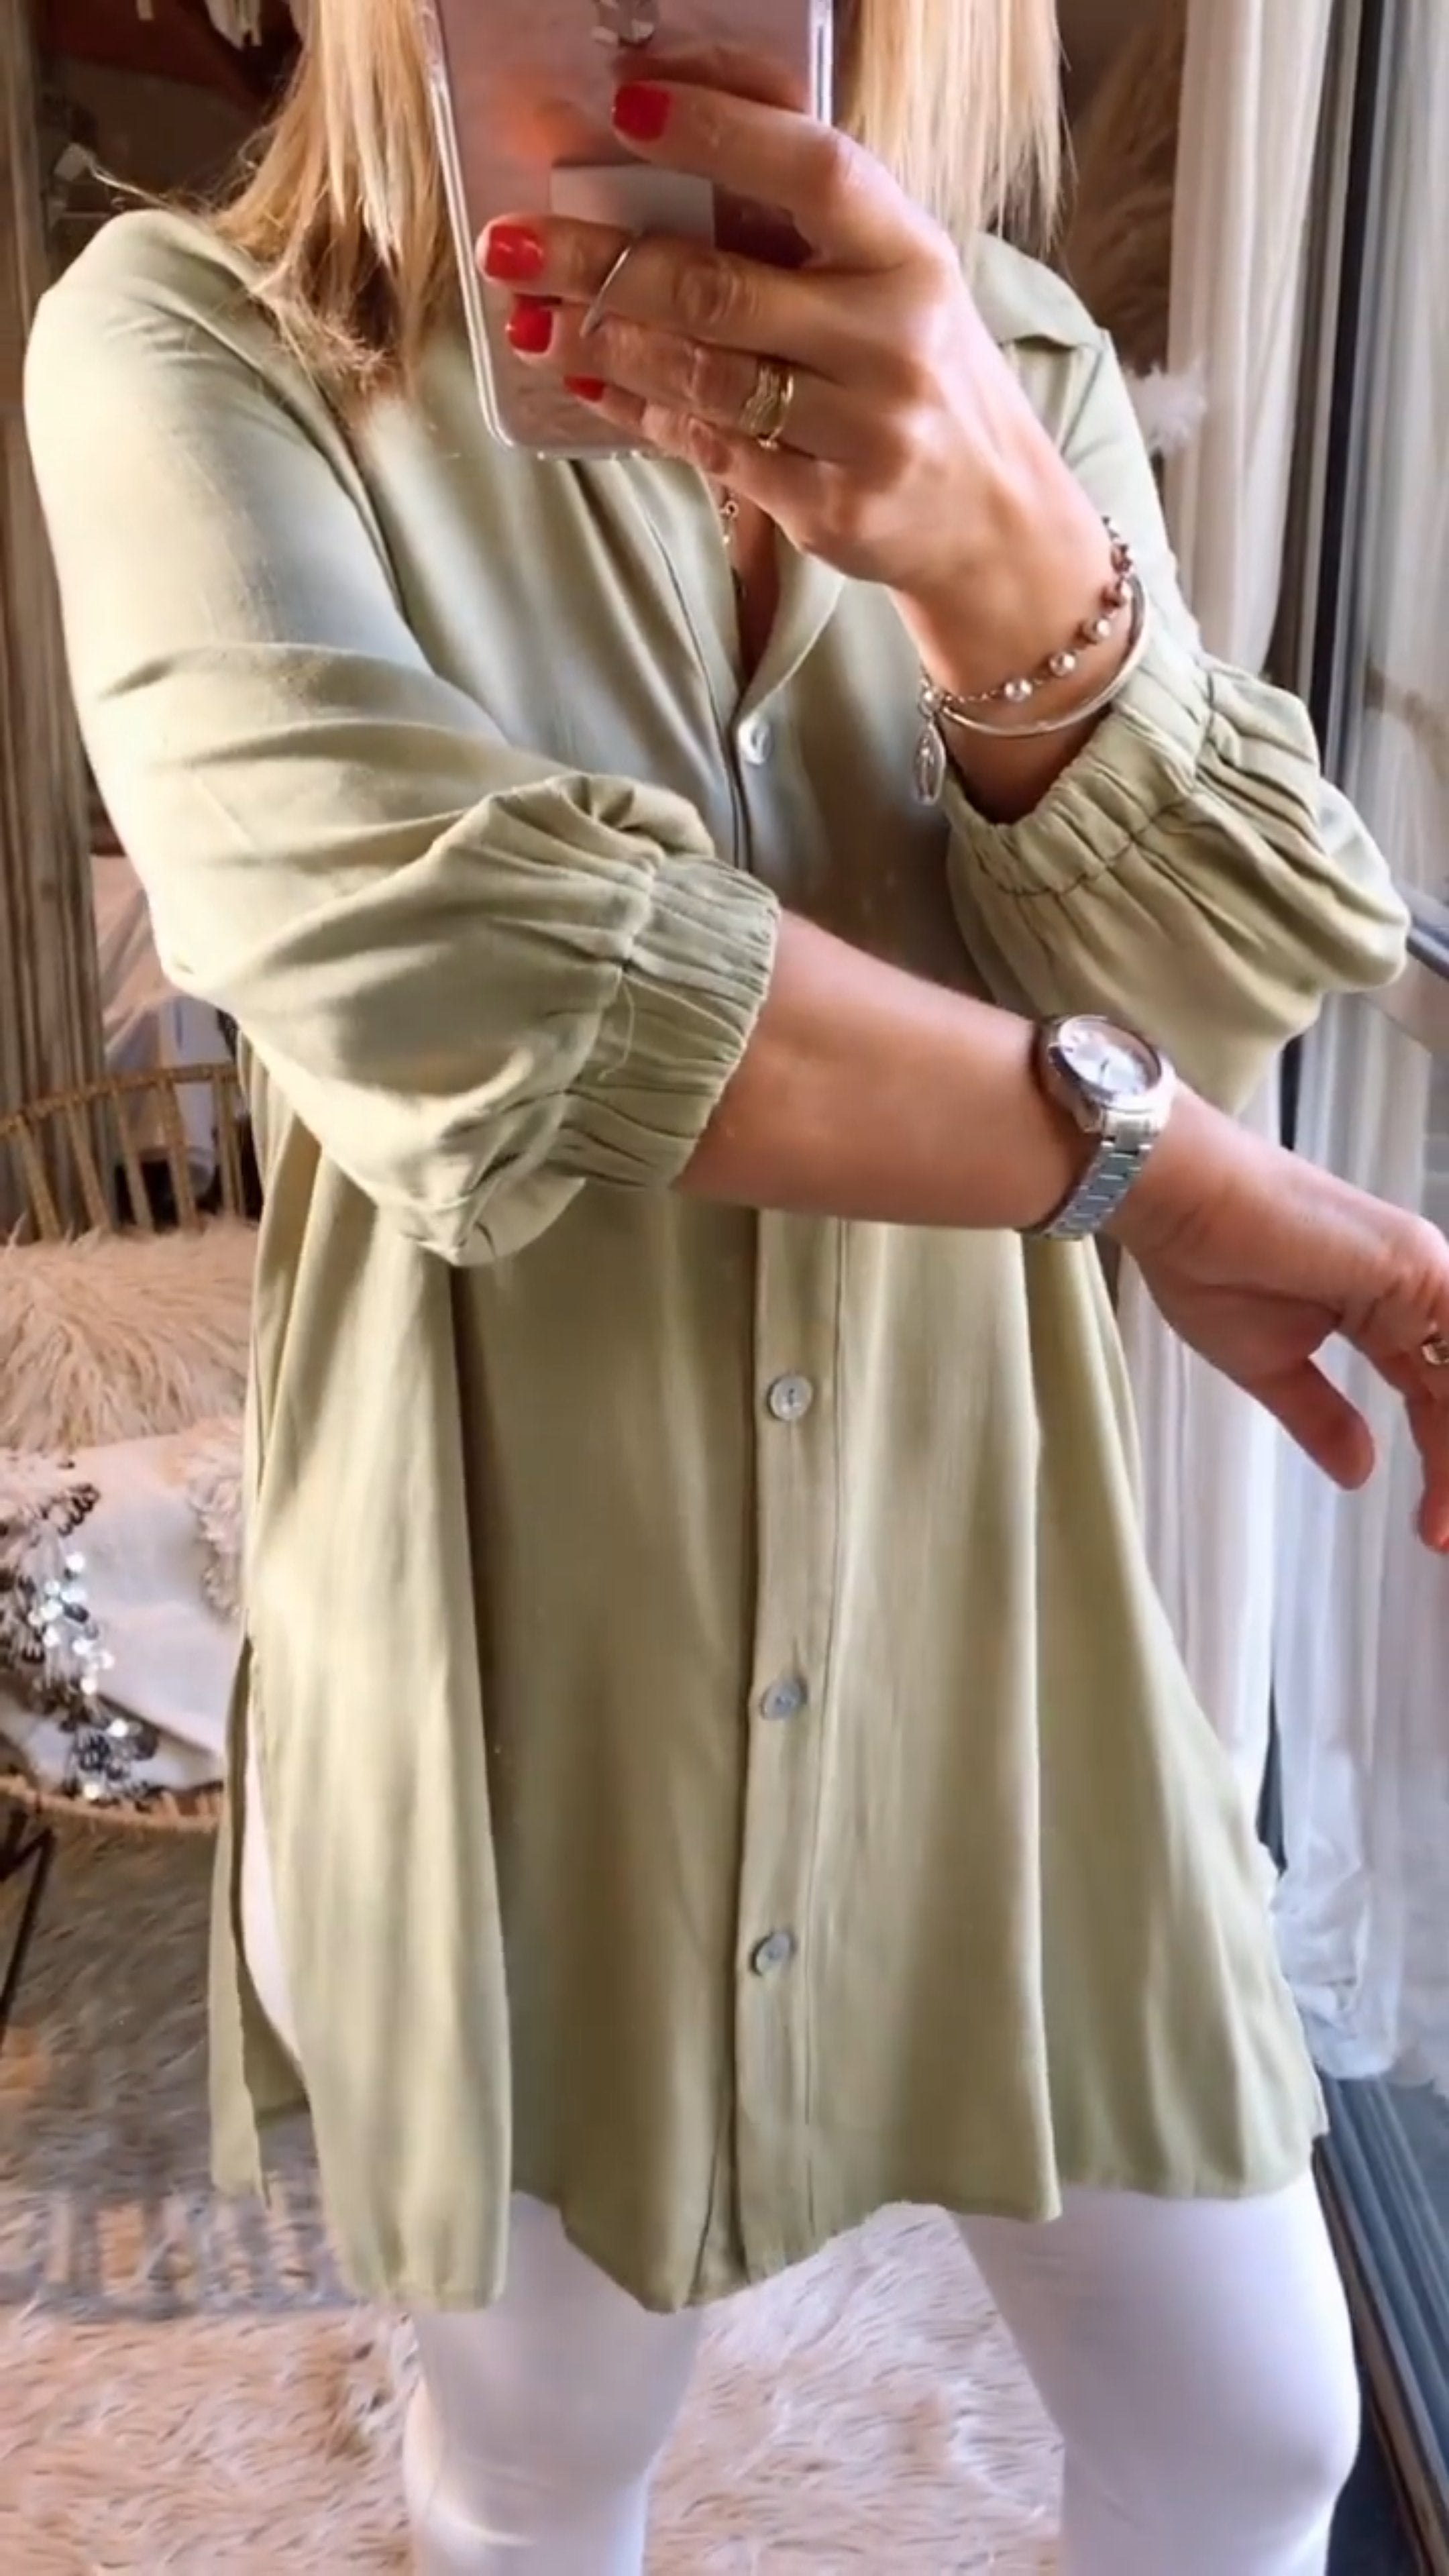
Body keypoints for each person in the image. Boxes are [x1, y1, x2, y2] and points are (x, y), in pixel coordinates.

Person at [24, 4, 1449, 2569]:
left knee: (1253, 2434)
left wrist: (1004, 558)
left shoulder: (1014, 364)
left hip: (993, 1615)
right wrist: (1175, 1190)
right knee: (541, 2466)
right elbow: (447, 958)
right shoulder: (192, 347)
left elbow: (1210, 977)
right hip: (515, 1658)